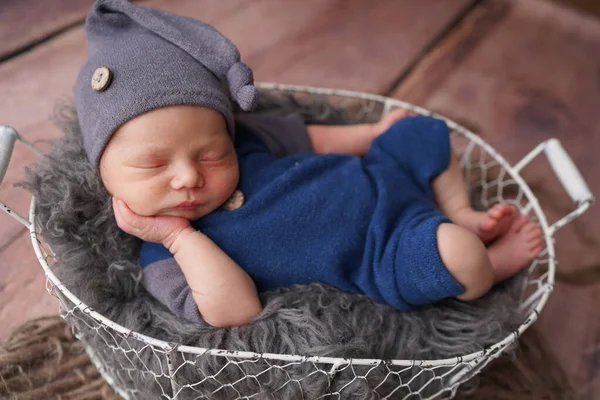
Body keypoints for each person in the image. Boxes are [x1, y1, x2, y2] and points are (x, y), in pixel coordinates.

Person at [75, 0, 543, 328]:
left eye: (211, 154)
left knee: (419, 132)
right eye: (154, 166)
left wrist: (373, 135)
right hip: (381, 249)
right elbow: (236, 310)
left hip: (381, 178)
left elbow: (311, 136)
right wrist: (178, 237)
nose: (189, 176)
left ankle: (458, 208)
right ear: (103, 174)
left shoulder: (250, 138)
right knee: (458, 254)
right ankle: (488, 267)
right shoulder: (163, 255)